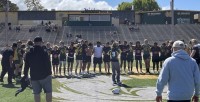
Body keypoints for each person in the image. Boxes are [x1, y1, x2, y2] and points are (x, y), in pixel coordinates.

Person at [24, 36, 52, 102]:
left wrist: (26, 76)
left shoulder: (28, 53)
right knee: (48, 92)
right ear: (40, 43)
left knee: (36, 93)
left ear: (34, 43)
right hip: (45, 76)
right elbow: (48, 65)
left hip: (34, 76)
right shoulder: (44, 52)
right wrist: (49, 74)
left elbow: (26, 66)